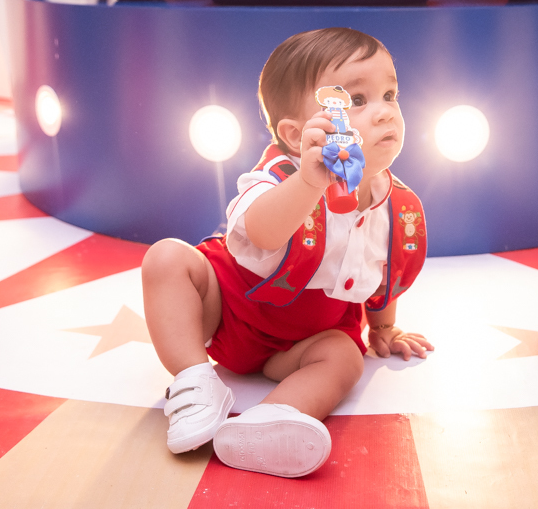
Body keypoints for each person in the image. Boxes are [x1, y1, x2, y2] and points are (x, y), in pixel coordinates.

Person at [141, 27, 433, 478]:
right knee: (166, 259)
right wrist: (309, 182)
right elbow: (262, 233)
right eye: (356, 101)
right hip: (229, 309)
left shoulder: (395, 207)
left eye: (390, 95)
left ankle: (272, 419)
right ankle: (195, 381)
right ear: (296, 136)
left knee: (345, 357)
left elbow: (382, 265)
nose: (384, 114)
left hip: (301, 344)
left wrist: (386, 327)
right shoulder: (277, 178)